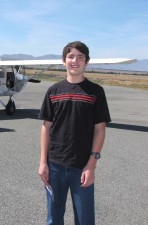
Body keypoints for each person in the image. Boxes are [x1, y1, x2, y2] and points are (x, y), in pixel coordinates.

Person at [38, 41, 111, 225]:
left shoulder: (96, 92)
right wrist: (43, 163)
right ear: (64, 61)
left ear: (87, 62)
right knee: (54, 218)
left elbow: (100, 129)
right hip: (55, 165)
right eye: (71, 56)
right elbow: (46, 127)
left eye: (80, 57)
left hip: (82, 166)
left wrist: (91, 165)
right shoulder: (53, 91)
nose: (75, 61)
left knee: (85, 220)